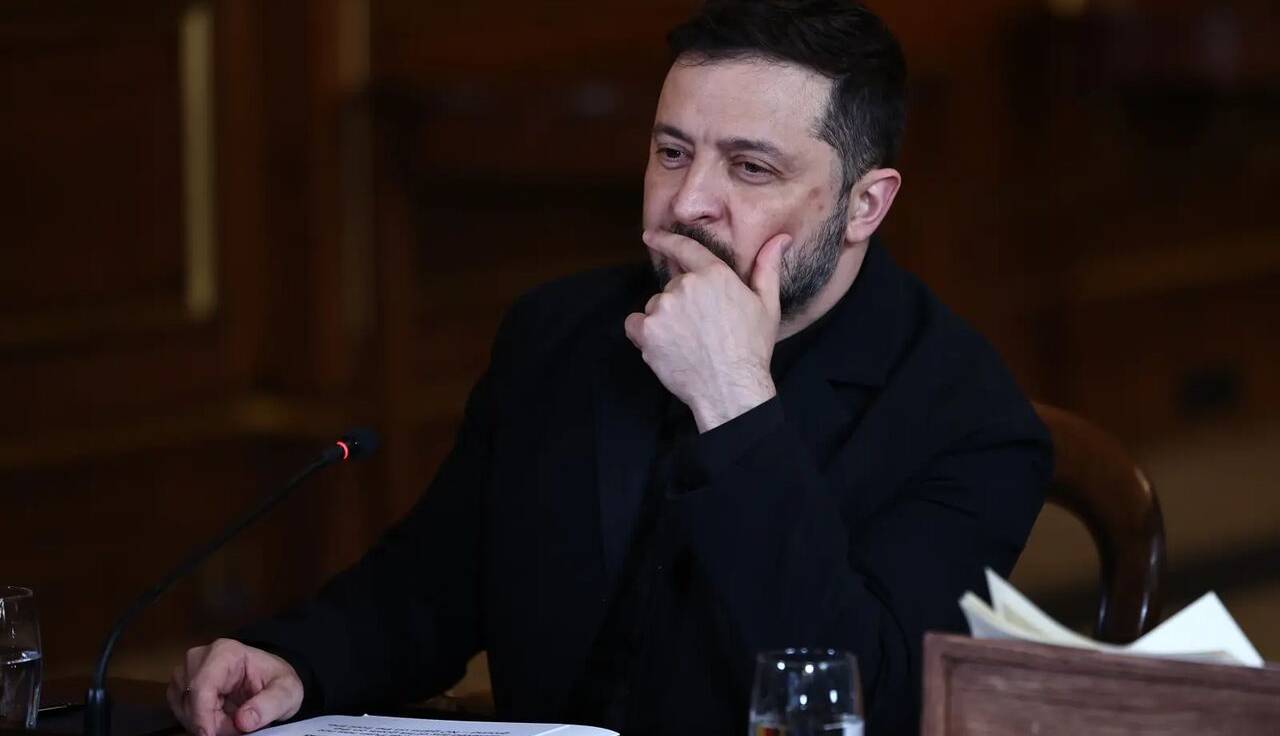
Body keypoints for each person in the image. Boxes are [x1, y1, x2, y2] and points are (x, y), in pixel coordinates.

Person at [167, 1, 1051, 734]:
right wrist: (296, 662)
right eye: (672, 152)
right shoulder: (558, 332)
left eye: (750, 168)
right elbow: (432, 588)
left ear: (865, 205)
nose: (688, 202)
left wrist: (735, 401)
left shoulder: (968, 421)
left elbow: (869, 703)